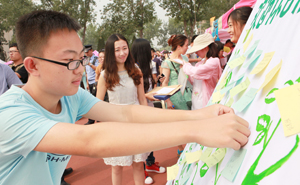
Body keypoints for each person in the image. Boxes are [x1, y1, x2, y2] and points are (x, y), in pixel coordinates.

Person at [0, 10, 250, 185]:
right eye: (69, 61)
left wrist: (200, 115)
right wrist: (195, 131)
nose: (79, 68)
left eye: (81, 58)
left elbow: (126, 112)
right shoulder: (10, 114)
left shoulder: (69, 96)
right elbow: (89, 140)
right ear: (32, 66)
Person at [97, 34, 150, 185]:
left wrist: (148, 121)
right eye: (117, 50)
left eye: (124, 48)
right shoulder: (105, 75)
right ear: (110, 52)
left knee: (138, 163)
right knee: (117, 166)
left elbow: (141, 99)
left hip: (137, 122)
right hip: (116, 124)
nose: (122, 53)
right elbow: (97, 104)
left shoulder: (135, 70)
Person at [131, 39, 165, 184]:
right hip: (139, 110)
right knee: (142, 141)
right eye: (148, 50)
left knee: (151, 139)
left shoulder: (148, 66)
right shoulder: (133, 69)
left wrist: (161, 87)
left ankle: (150, 163)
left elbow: (149, 89)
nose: (151, 52)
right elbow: (134, 95)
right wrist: (148, 96)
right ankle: (143, 169)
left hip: (149, 107)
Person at [183, 33, 222, 110]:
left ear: (205, 47)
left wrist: (185, 64)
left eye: (197, 50)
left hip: (206, 102)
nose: (196, 53)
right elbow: (193, 80)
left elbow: (196, 72)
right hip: (196, 101)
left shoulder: (214, 61)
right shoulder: (200, 63)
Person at [84, 44, 99, 125]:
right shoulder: (86, 59)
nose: (86, 54)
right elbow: (86, 73)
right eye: (85, 52)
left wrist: (89, 64)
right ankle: (91, 120)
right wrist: (87, 83)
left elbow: (98, 69)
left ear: (91, 50)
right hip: (89, 83)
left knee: (96, 101)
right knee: (90, 101)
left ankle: (99, 119)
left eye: (87, 52)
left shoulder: (96, 59)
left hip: (95, 82)